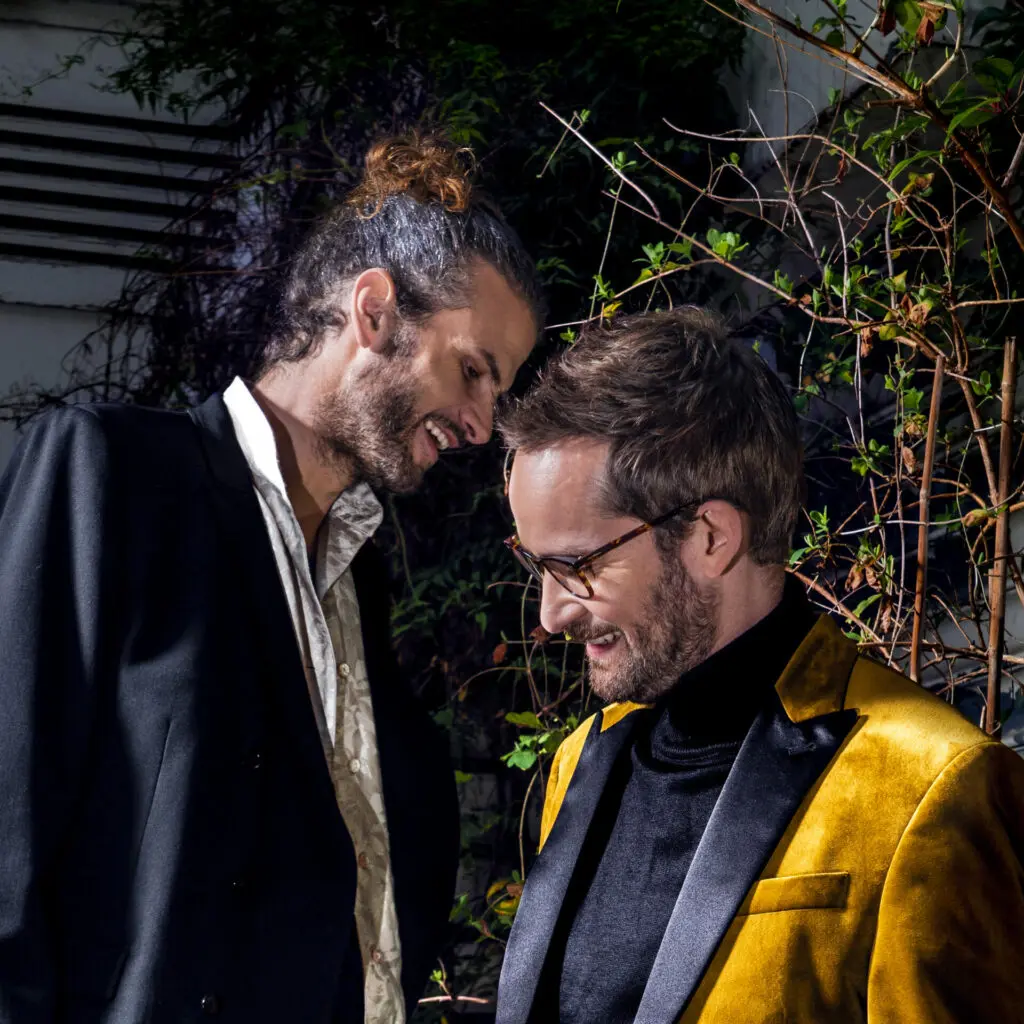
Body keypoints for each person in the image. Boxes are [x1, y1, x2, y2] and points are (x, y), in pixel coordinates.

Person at [0, 134, 541, 1024]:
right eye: (473, 370)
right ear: (375, 312)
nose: (483, 424)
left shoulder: (360, 576)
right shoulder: (115, 477)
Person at [494, 307, 1024, 1024]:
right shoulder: (579, 761)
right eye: (536, 564)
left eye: (577, 565)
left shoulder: (934, 786)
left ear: (710, 538)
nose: (551, 614)